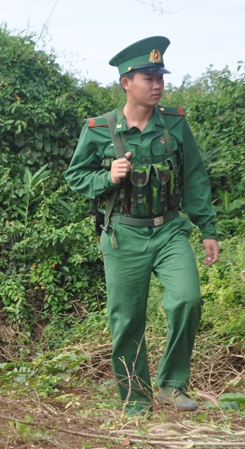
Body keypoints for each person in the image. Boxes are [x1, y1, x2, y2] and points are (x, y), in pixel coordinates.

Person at [65, 37, 219, 414]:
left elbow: (195, 177)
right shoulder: (101, 128)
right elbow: (75, 176)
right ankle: (135, 401)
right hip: (123, 233)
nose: (157, 84)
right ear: (125, 83)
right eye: (148, 77)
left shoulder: (175, 124)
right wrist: (108, 178)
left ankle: (172, 384)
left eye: (160, 76)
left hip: (169, 230)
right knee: (127, 318)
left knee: (187, 298)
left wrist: (207, 227)